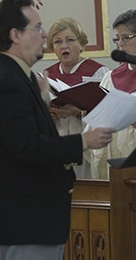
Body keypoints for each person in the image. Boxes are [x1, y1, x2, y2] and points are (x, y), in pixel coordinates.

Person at [0, 0, 113, 260]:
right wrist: (83, 141)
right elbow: (26, 147)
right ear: (15, 35)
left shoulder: (21, 80)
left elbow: (29, 137)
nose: (43, 35)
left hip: (36, 215)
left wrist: (42, 101)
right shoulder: (6, 81)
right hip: (26, 216)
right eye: (37, 28)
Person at [86, 9, 136, 179]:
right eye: (117, 39)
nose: (120, 44)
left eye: (126, 38)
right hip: (112, 154)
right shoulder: (110, 78)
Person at [44, 18, 109, 178]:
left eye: (70, 40)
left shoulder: (99, 73)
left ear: (81, 44)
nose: (64, 46)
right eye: (58, 42)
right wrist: (48, 117)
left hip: (87, 144)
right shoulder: (46, 76)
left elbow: (109, 113)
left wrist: (78, 111)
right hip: (58, 142)